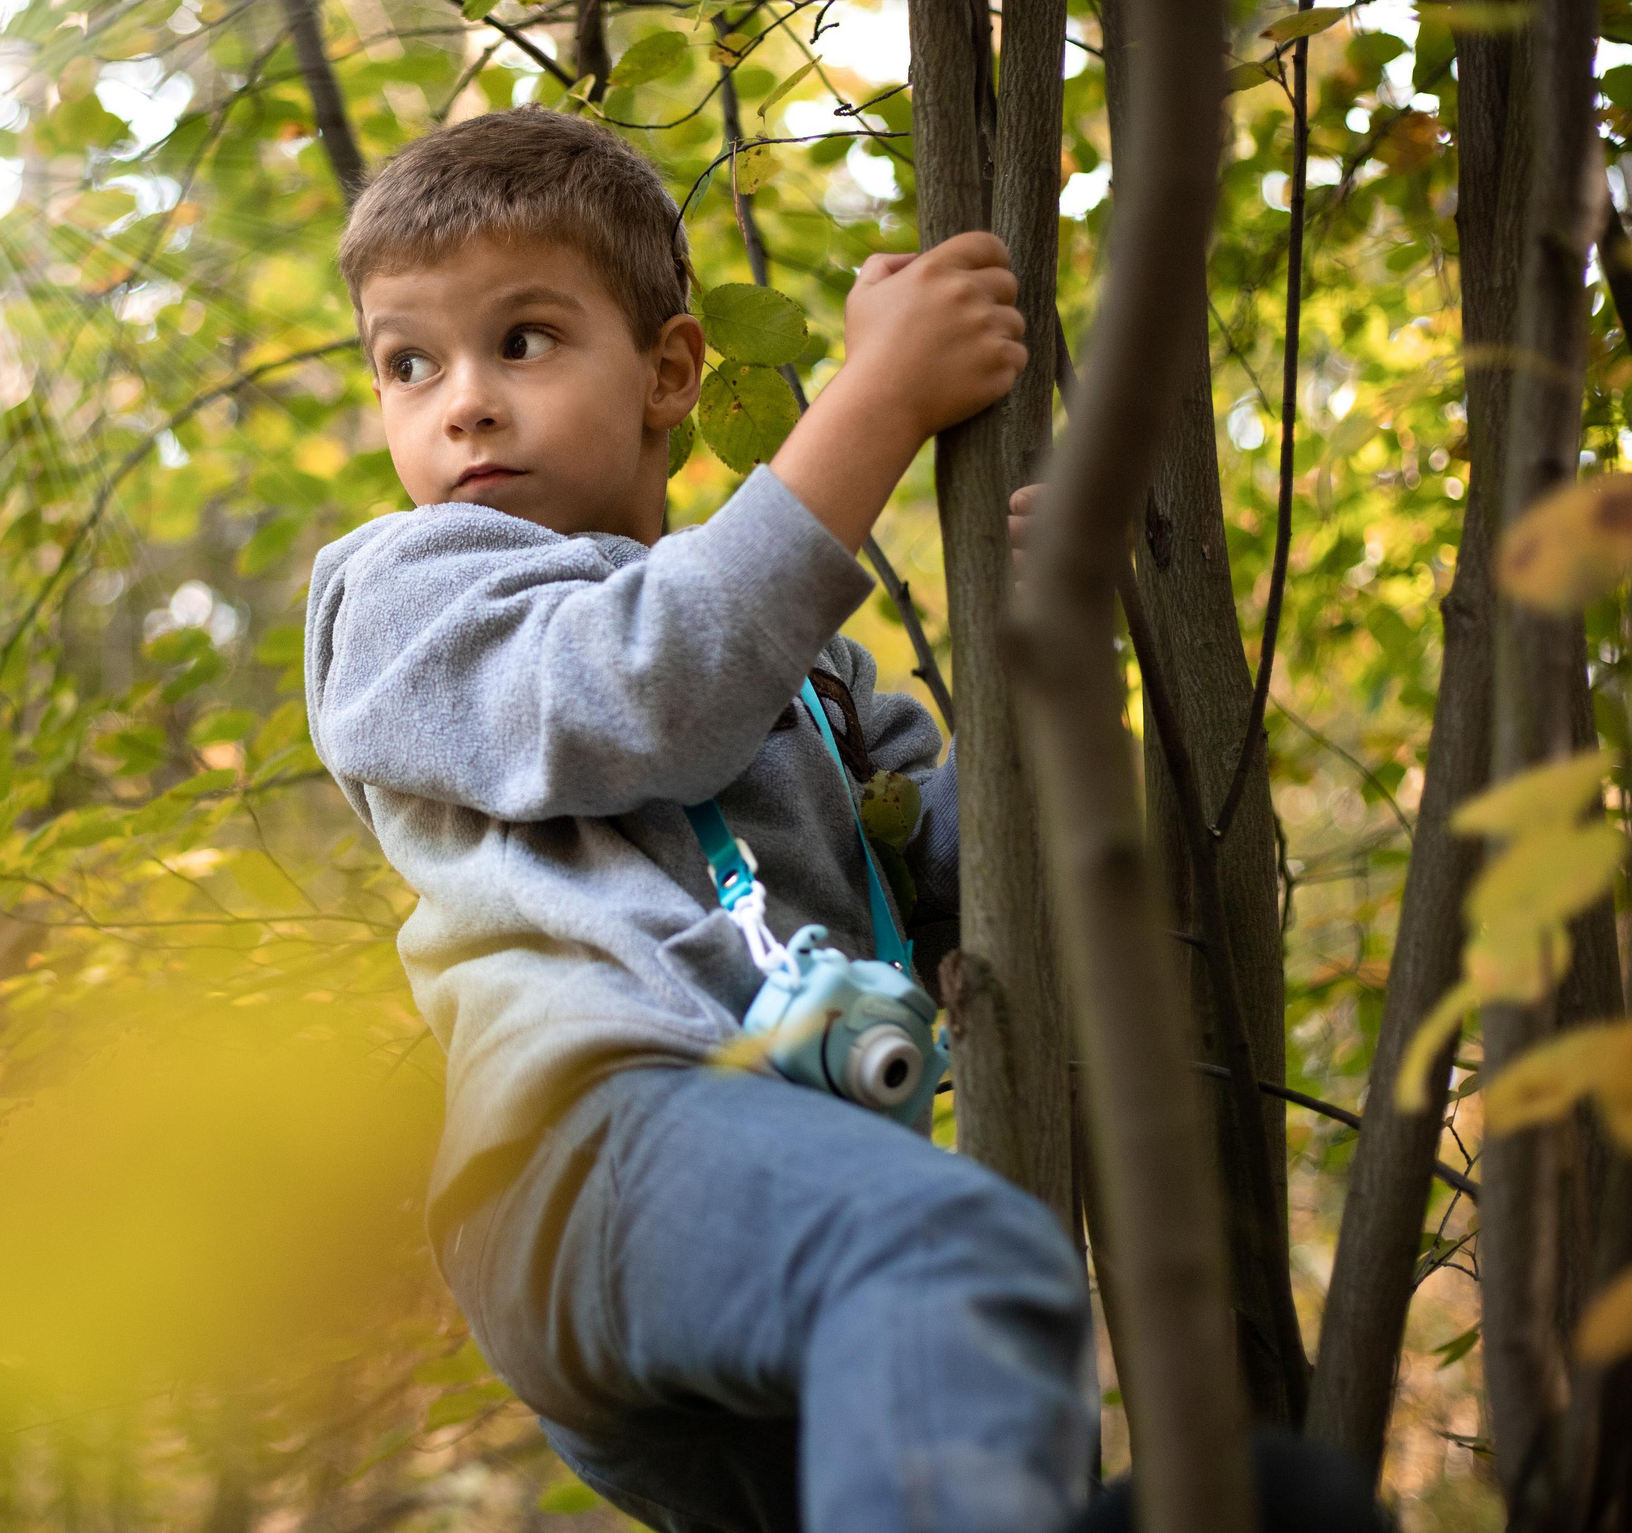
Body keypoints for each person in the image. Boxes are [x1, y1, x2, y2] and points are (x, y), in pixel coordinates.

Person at [303, 106, 1094, 1532]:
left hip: (789, 1189)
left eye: (522, 340)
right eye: (409, 362)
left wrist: (1057, 659)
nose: (462, 402)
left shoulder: (815, 674)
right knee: (953, 1258)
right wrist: (877, 401)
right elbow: (638, 688)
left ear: (669, 372)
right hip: (589, 1154)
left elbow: (983, 884)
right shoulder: (402, 595)